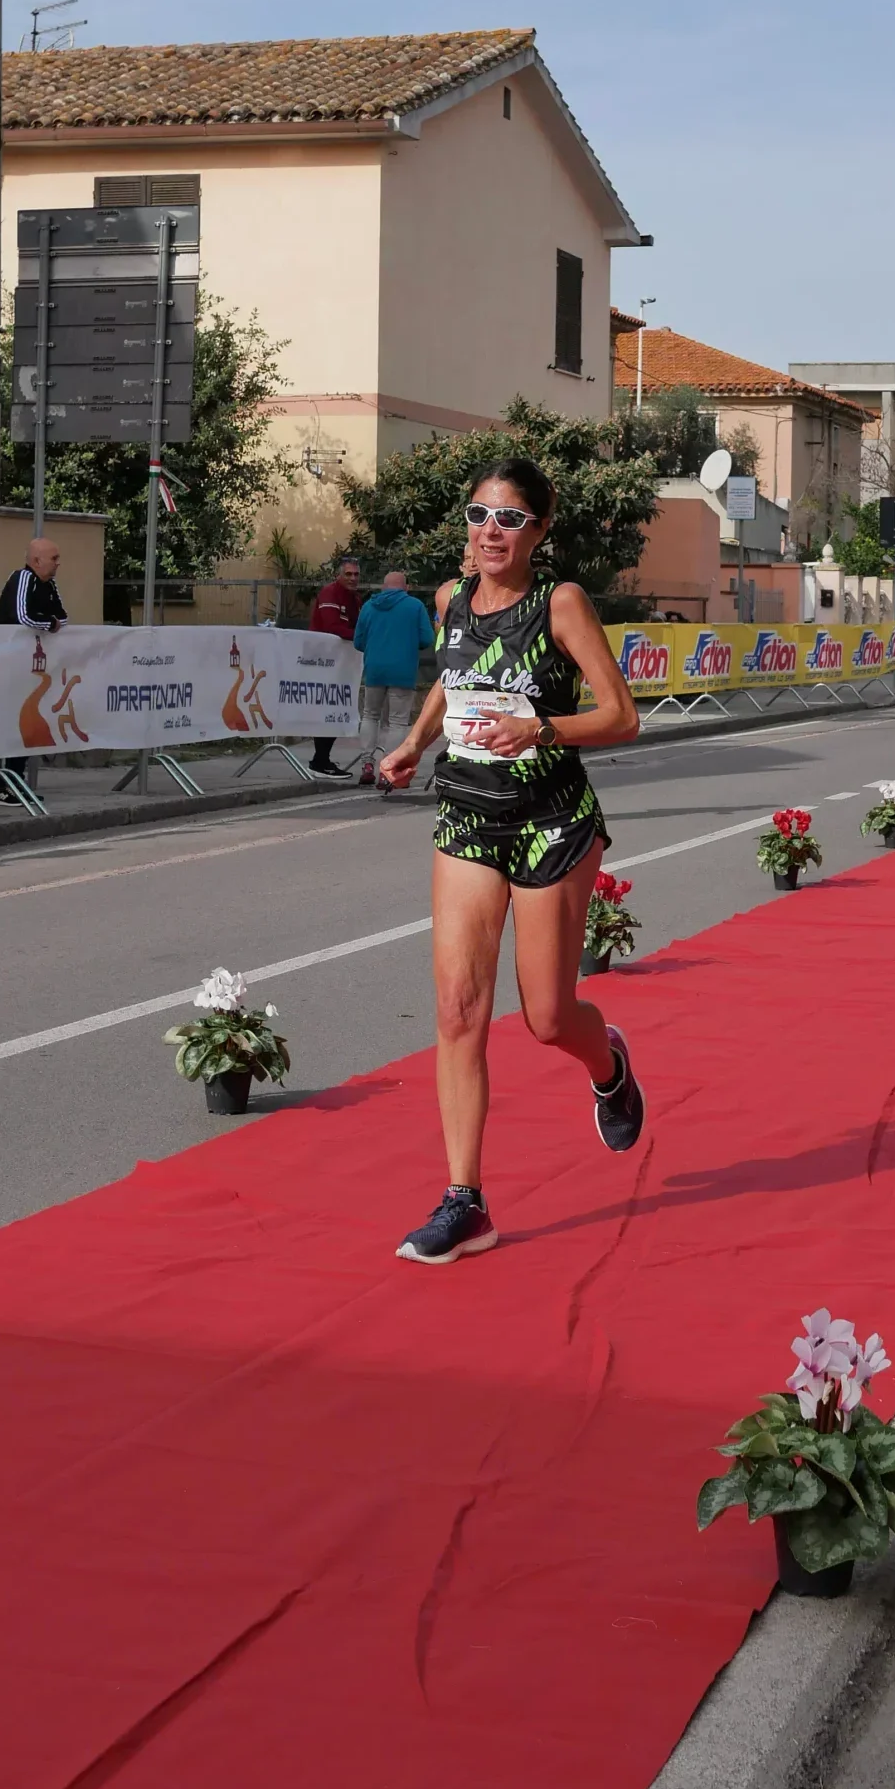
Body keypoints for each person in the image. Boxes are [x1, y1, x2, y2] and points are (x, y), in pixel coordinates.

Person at [377, 459, 644, 1265]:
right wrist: (414, 742)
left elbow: (622, 715)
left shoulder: (560, 603)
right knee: (458, 1009)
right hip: (467, 813)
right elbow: (454, 680)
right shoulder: (449, 600)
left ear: (540, 530)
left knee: (546, 1017)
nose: (491, 531)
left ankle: (608, 1064)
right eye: (479, 515)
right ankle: (465, 1202)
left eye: (510, 518)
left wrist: (541, 728)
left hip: (550, 821)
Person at [0, 538, 67, 803]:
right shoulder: (23, 578)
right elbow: (22, 616)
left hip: (32, 669)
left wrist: (51, 622)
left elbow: (63, 616)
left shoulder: (50, 585)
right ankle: (1, 786)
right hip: (10, 665)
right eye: (54, 558)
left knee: (26, 725)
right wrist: (49, 624)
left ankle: (16, 780)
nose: (58, 564)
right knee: (10, 724)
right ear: (36, 561)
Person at [353, 568, 437, 784]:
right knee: (398, 722)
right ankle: (388, 770)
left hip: (374, 669)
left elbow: (358, 641)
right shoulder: (415, 606)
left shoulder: (369, 606)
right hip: (403, 670)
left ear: (383, 587)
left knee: (370, 715)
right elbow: (427, 639)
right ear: (406, 587)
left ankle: (367, 764)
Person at [308, 556, 364, 775]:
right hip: (322, 661)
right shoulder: (330, 593)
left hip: (342, 663)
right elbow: (332, 627)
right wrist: (363, 638)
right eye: (348, 574)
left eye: (356, 574)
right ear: (338, 575)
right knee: (327, 709)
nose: (353, 578)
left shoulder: (355, 599)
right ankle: (319, 761)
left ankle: (322, 760)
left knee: (336, 709)